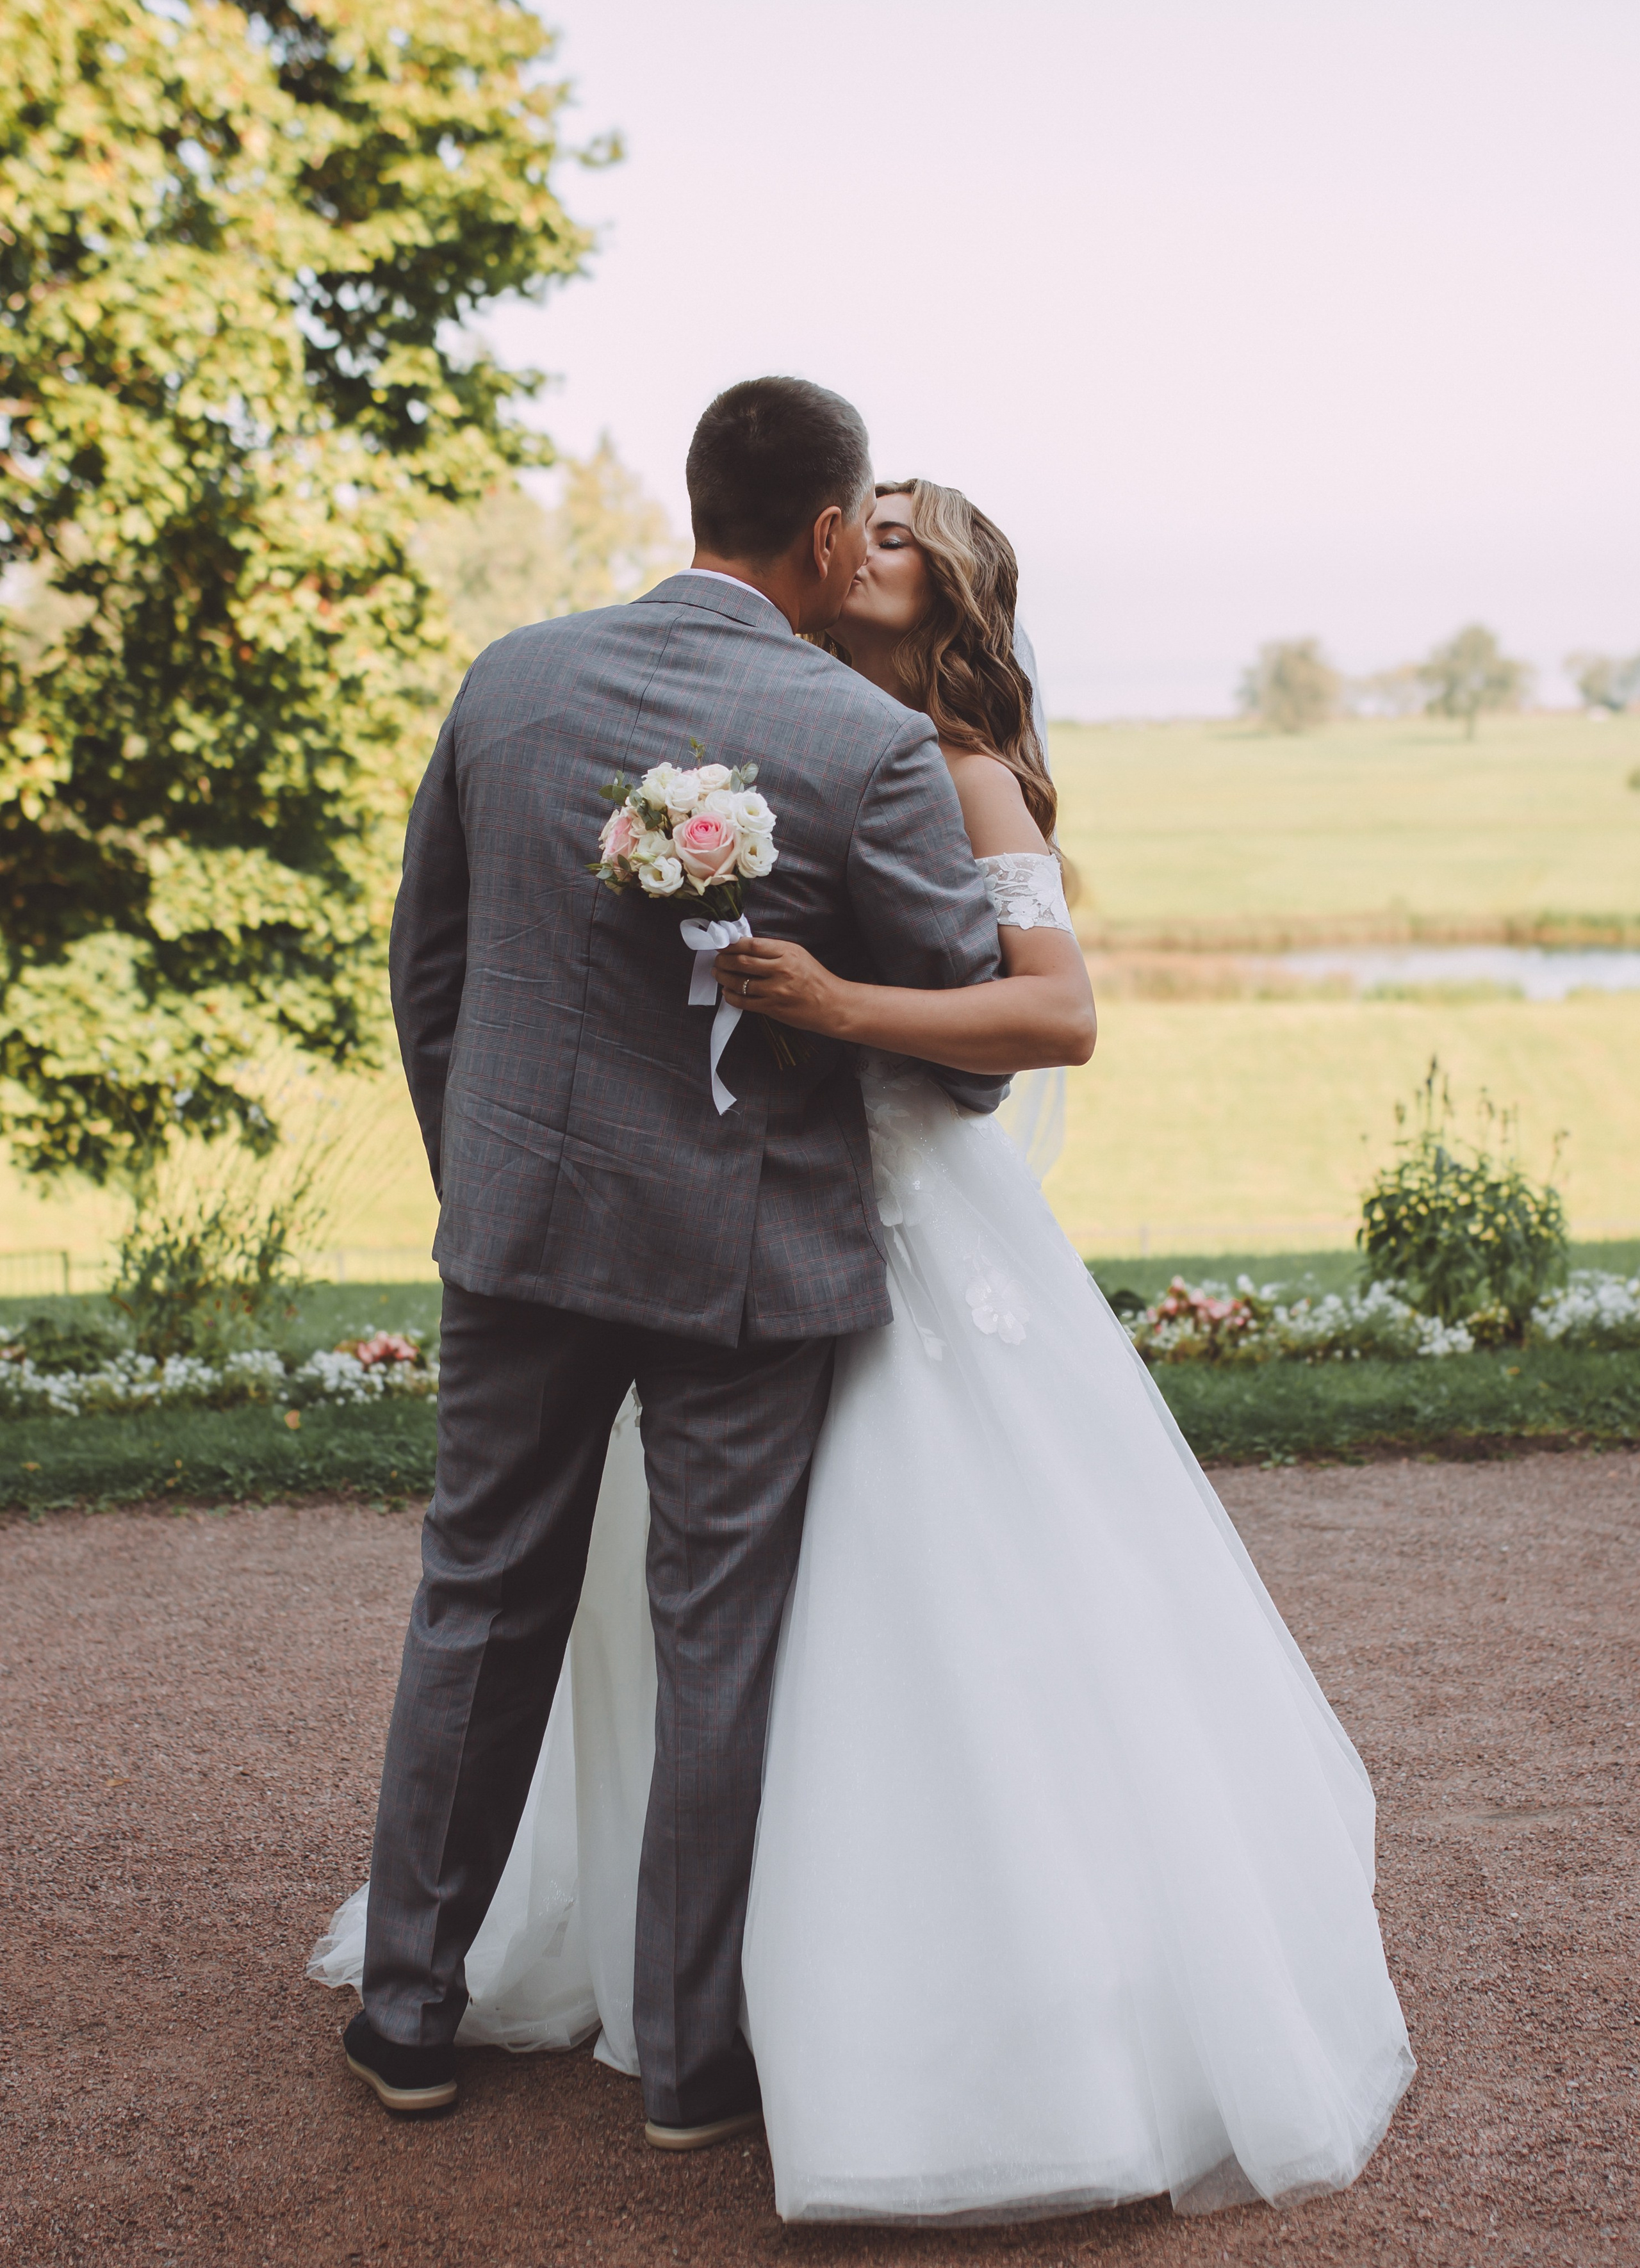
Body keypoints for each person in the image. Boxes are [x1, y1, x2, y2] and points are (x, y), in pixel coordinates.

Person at [315, 470, 1416, 2223]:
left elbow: (1043, 1022)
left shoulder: (952, 764)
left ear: (954, 590)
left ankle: (829, 2020)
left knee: (827, 1629)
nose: (869, 544)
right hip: (726, 1249)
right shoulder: (783, 734)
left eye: (905, 532)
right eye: (862, 520)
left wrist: (834, 1009)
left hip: (859, 1246)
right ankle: (700, 2031)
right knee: (716, 1627)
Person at [340, 377, 1013, 2144]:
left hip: (520, 1237)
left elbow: (430, 972)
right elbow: (974, 1046)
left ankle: (407, 2018)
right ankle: (691, 2068)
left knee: (477, 1600)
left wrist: (484, 1179)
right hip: (741, 1267)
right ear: (819, 532)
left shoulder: (513, 678)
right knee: (716, 1642)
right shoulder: (863, 745)